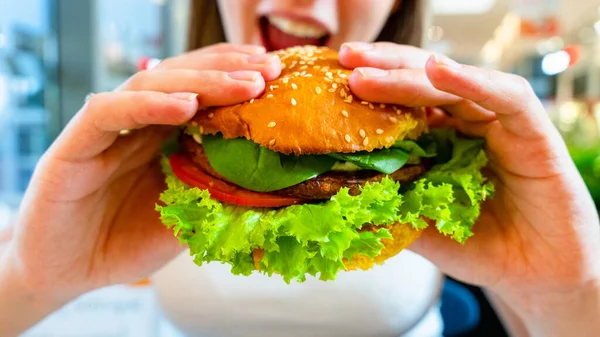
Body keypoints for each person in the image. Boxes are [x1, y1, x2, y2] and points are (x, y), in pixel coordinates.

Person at [0, 0, 599, 336]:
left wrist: (567, 297)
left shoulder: (457, 138)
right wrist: (32, 280)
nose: (305, 0)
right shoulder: (133, 137)